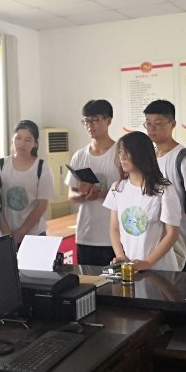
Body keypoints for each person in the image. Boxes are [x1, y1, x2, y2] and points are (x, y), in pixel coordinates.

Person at [104, 131, 186, 271]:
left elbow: (172, 233)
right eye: (120, 152)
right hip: (130, 268)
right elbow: (114, 228)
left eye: (127, 152)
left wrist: (147, 263)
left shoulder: (163, 189)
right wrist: (120, 255)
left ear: (142, 154)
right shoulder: (117, 188)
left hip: (161, 268)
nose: (122, 157)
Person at [142, 99, 186, 271]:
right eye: (148, 123)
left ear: (173, 124)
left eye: (158, 124)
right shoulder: (148, 158)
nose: (152, 129)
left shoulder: (184, 158)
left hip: (181, 241)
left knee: (182, 285)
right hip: (153, 242)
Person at [66, 100, 121, 266]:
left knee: (115, 282)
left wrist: (101, 194)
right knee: (87, 280)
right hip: (86, 235)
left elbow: (130, 194)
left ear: (108, 120)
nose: (90, 125)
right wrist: (82, 195)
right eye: (86, 121)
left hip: (114, 237)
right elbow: (71, 196)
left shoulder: (120, 153)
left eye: (95, 120)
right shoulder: (79, 156)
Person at [0, 120, 55, 247]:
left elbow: (41, 206)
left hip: (34, 235)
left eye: (27, 140)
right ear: (13, 139)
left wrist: (18, 235)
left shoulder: (42, 167)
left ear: (35, 144)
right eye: (18, 138)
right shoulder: (0, 164)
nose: (22, 143)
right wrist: (7, 234)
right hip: (5, 234)